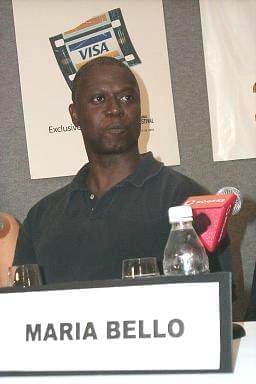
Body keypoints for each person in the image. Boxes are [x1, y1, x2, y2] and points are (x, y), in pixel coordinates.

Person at [13, 56, 232, 284]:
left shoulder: (188, 203)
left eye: (126, 98)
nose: (115, 109)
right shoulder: (41, 219)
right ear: (75, 114)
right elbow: (23, 312)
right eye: (99, 99)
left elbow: (215, 310)